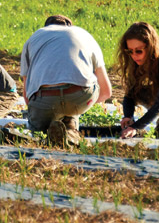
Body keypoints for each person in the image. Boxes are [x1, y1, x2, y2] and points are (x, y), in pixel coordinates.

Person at [20, 15, 113, 146]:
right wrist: (77, 107)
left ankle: (45, 136)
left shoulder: (34, 38)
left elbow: (26, 95)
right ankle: (70, 131)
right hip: (79, 96)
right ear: (70, 27)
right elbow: (106, 92)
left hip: (45, 99)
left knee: (37, 139)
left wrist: (39, 114)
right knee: (75, 100)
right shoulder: (84, 35)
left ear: (46, 27)